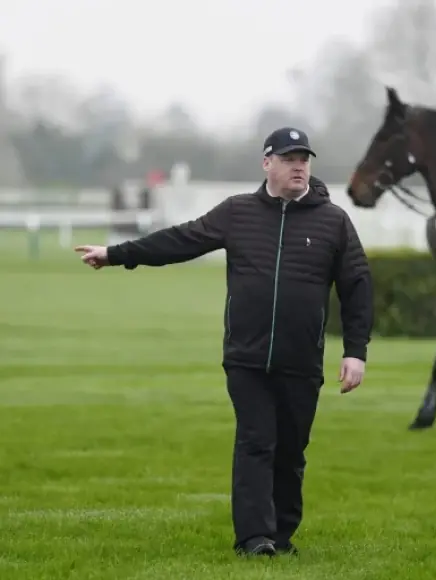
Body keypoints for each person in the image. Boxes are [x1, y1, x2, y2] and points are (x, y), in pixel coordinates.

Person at [75, 127, 374, 557]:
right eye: (289, 159)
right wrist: (116, 254)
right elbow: (181, 240)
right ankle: (254, 538)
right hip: (246, 358)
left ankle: (281, 536)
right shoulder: (238, 213)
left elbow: (357, 286)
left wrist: (355, 352)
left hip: (301, 360)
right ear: (267, 163)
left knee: (291, 452)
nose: (299, 167)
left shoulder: (333, 221)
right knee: (256, 443)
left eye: (304, 160)